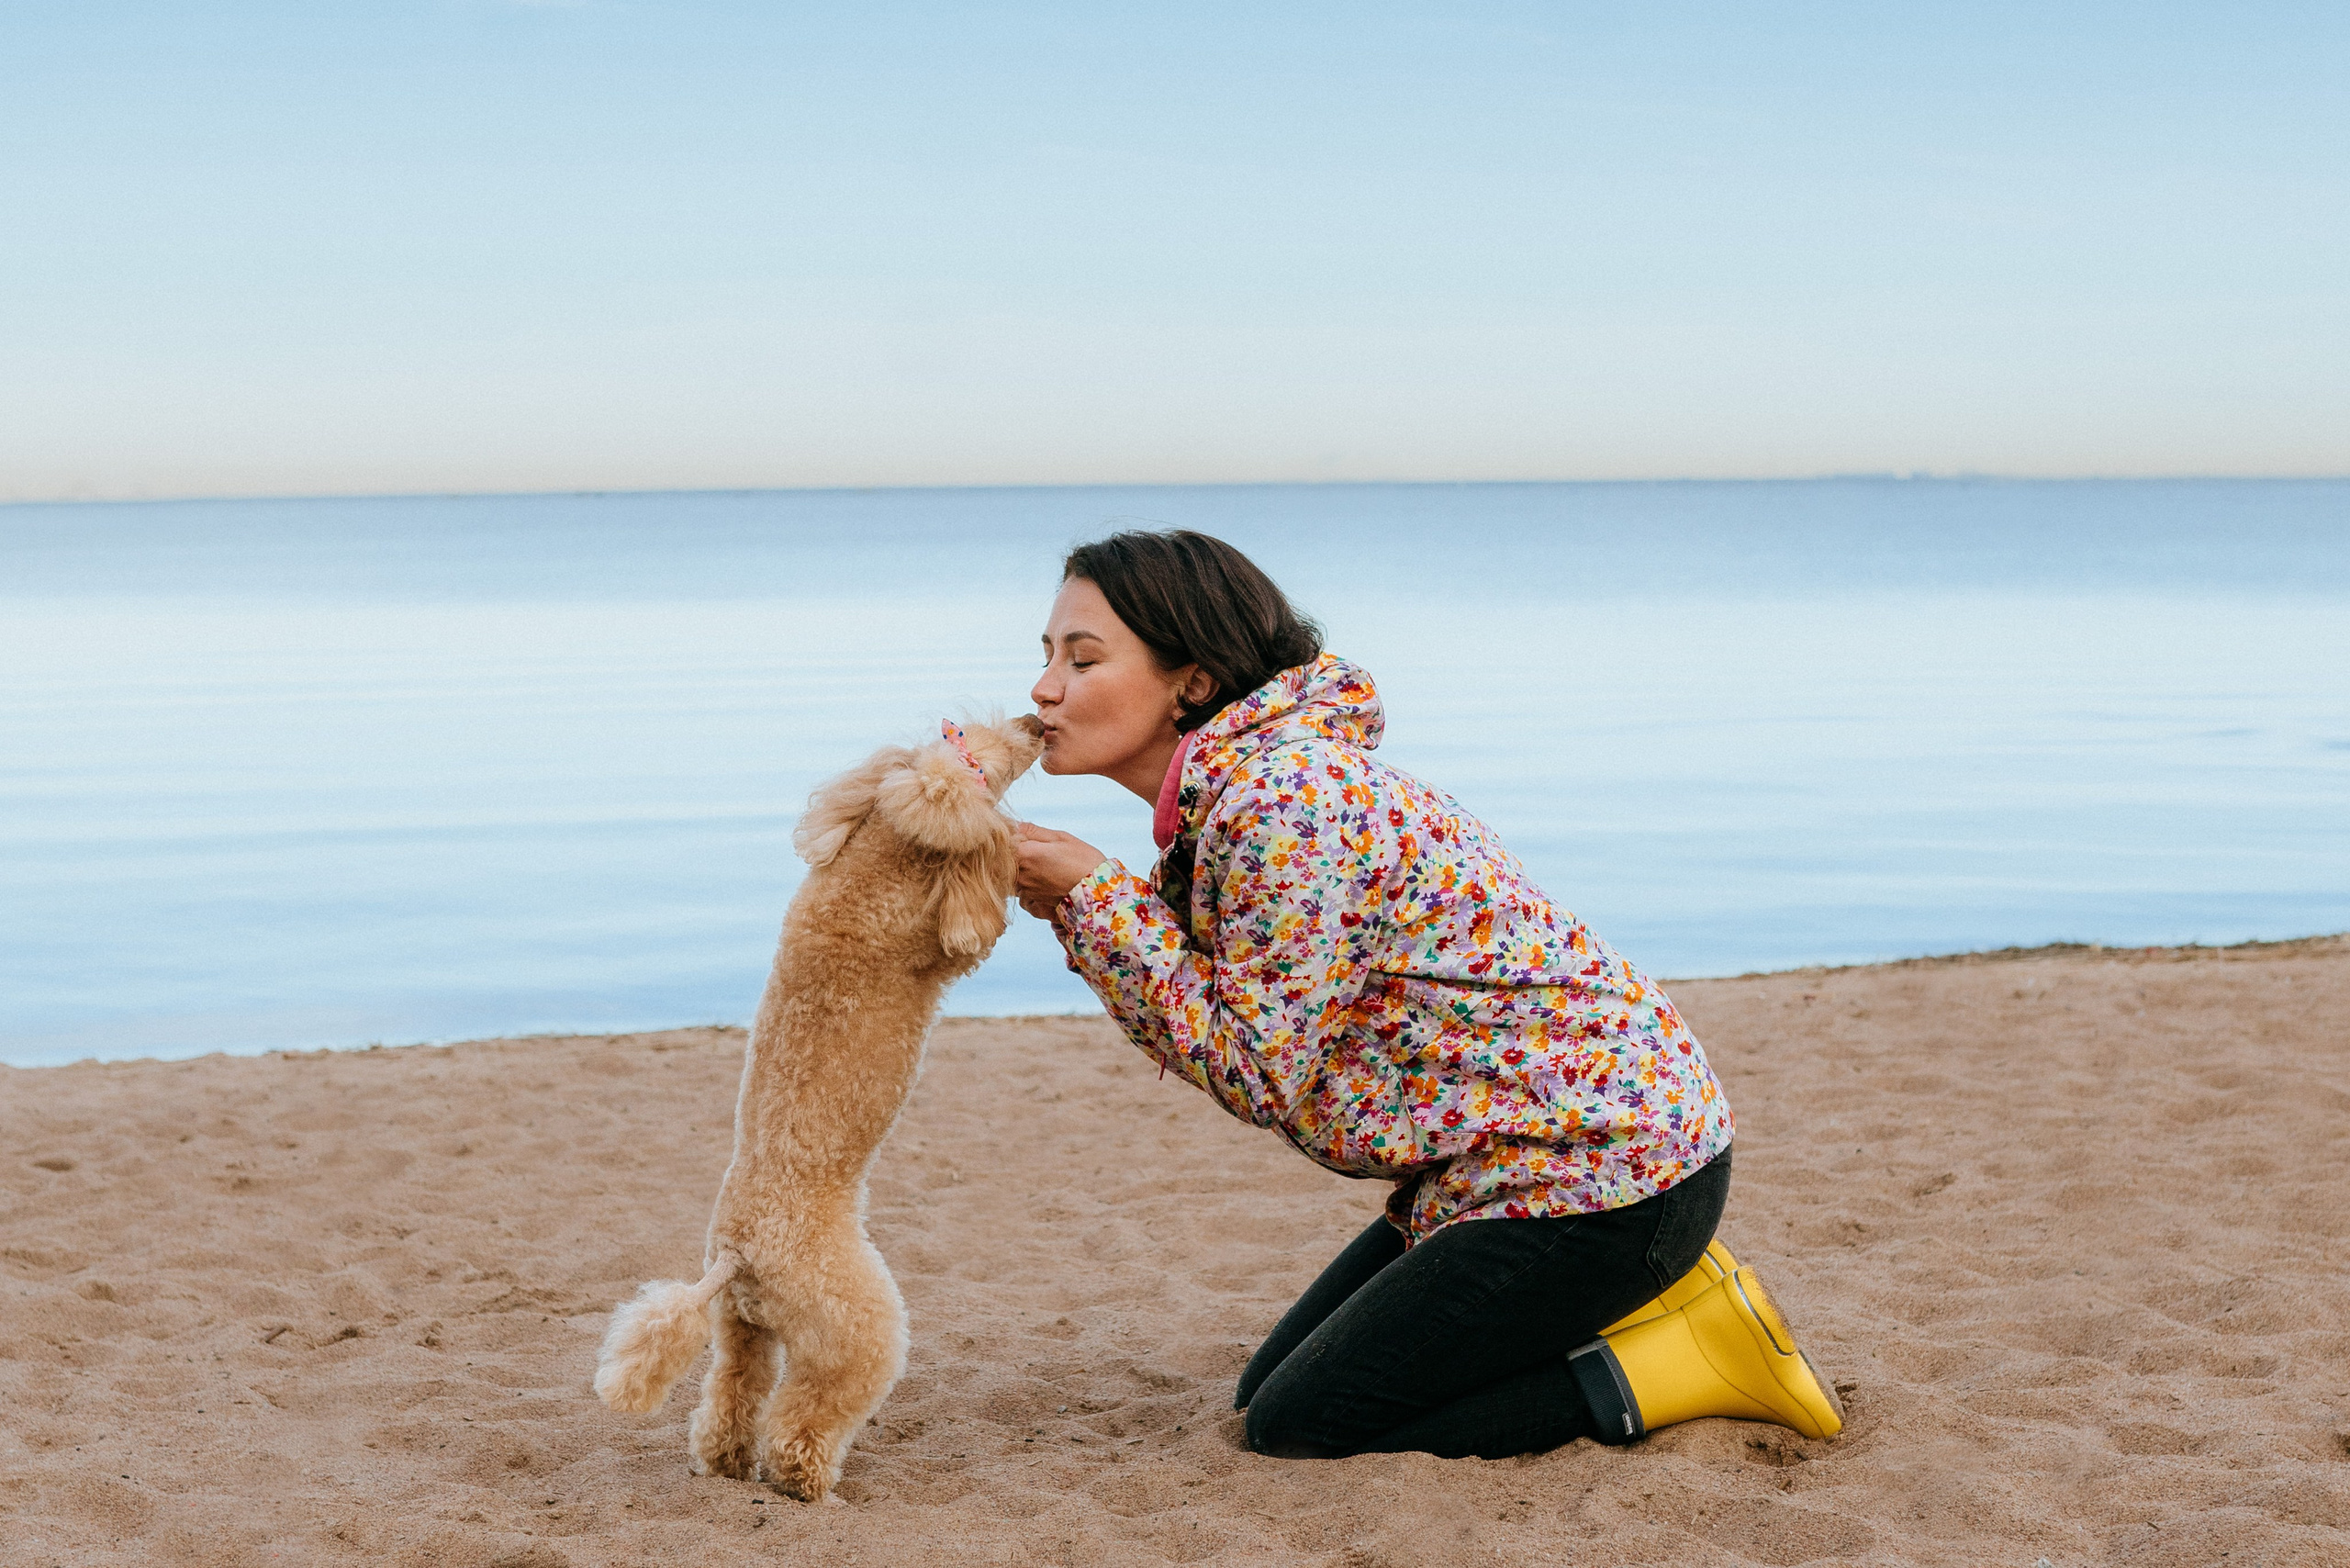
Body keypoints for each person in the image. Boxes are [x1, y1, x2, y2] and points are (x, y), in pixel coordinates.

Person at [1013, 529, 1841, 1460]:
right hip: (1523, 1163)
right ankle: (1643, 1302)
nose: (1043, 687)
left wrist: (1093, 900)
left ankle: (1681, 1357)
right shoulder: (1242, 795)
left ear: (1192, 680)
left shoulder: (1286, 804)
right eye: (1044, 656)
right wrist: (1099, 907)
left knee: (1304, 1423)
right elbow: (1228, 1014)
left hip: (1609, 1180)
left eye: (1080, 658)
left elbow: (1254, 1069)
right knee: (1263, 1393)